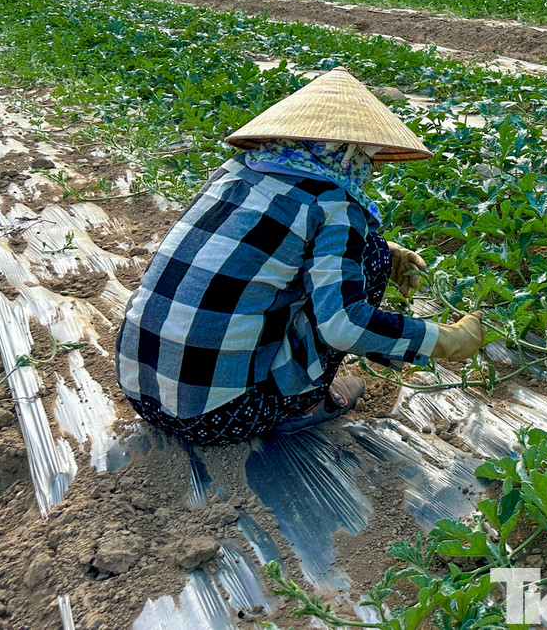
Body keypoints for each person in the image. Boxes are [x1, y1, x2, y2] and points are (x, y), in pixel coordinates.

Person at [115, 67, 485, 445]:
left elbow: (260, 250)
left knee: (368, 255)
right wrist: (445, 339)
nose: (368, 166)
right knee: (368, 258)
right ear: (349, 153)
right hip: (224, 415)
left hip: (140, 390)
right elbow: (343, 325)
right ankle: (306, 403)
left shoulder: (232, 172)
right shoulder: (334, 203)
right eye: (367, 156)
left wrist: (386, 254)